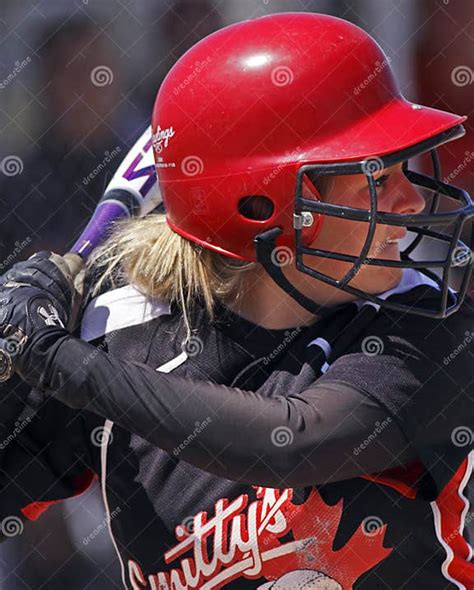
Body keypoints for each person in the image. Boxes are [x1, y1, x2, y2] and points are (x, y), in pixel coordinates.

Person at [0, 12, 473, 590]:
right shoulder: (122, 337)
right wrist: (13, 371)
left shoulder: (423, 324)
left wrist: (56, 360)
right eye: (377, 176)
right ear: (262, 202)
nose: (412, 204)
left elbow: (292, 442)